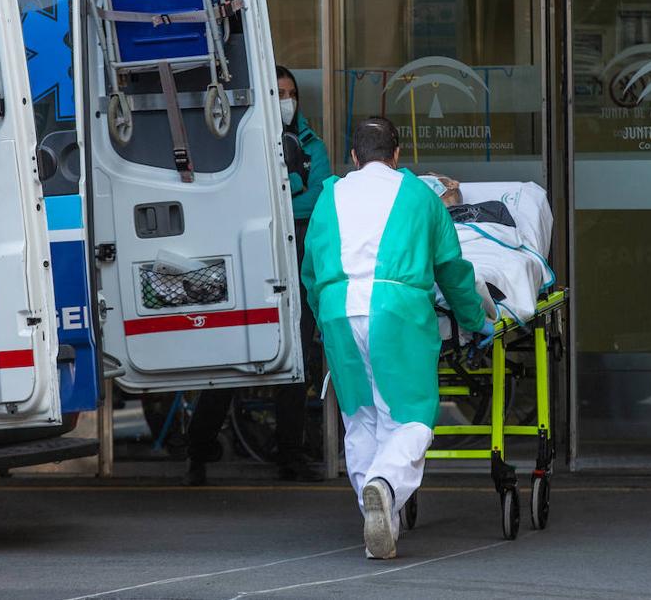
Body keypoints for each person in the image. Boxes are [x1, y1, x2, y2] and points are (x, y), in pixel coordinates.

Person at [301, 117, 494, 559]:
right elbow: (451, 269)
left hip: (337, 308)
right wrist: (475, 319)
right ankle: (384, 485)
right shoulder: (419, 197)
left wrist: (324, 325)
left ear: (353, 157)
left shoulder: (330, 195)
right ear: (397, 155)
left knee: (361, 417)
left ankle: (380, 525)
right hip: (397, 309)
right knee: (410, 418)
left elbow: (310, 273)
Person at [184, 66, 331, 485]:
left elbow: (314, 203)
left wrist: (280, 191)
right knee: (234, 357)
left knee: (297, 360)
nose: (287, 100)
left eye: (291, 92)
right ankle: (198, 448)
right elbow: (242, 197)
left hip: (298, 259)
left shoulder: (311, 145)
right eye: (278, 92)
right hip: (251, 259)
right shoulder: (242, 143)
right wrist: (290, 188)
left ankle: (291, 455)